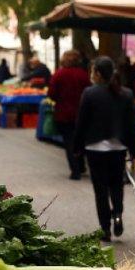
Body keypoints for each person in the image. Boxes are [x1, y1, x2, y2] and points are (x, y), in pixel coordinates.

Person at [73, 57, 135, 242]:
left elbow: (81, 123)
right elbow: (131, 126)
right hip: (118, 148)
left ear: (97, 73)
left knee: (100, 190)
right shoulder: (125, 94)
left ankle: (105, 229)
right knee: (117, 185)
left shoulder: (89, 93)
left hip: (94, 148)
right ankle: (117, 214)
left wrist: (77, 147)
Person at [48, 50, 91, 180]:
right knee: (81, 140)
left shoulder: (59, 74)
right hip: (82, 114)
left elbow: (51, 94)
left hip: (63, 114)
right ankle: (82, 165)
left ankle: (75, 171)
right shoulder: (84, 75)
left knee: (69, 142)